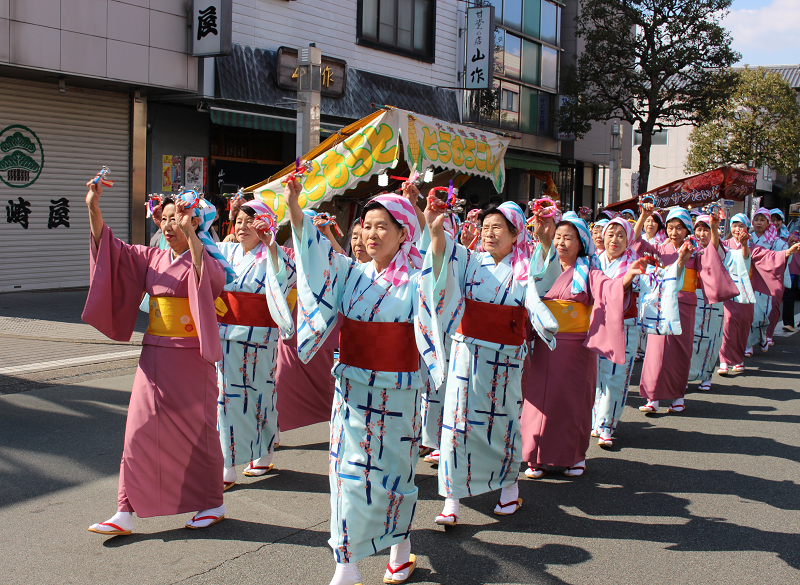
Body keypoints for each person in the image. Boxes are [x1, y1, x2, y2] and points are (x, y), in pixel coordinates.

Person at [286, 178, 445, 585]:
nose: (371, 234)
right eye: (367, 225)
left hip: (397, 392)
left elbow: (442, 286)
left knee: (394, 475)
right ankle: (346, 562)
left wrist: (436, 232)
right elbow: (312, 252)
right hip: (352, 390)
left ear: (404, 232)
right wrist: (293, 205)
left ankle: (400, 548)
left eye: (382, 227)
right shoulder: (348, 272)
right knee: (346, 473)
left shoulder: (417, 279)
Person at [83, 180, 232, 535]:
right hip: (154, 354)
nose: (168, 225)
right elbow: (110, 249)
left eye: (177, 217)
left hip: (192, 358)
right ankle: (124, 510)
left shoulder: (207, 258)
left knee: (198, 433)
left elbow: (208, 280)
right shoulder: (151, 257)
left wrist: (192, 236)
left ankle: (213, 501)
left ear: (195, 222)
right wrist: (93, 207)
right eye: (163, 219)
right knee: (137, 430)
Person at [422, 200, 558, 525]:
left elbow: (549, 276)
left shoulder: (525, 266)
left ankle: (508, 487)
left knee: (503, 423)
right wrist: (434, 228)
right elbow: (441, 257)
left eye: (497, 227)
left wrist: (547, 239)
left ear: (515, 234)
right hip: (465, 354)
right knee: (456, 425)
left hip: (505, 358)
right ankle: (451, 499)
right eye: (485, 227)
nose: (488, 233)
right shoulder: (470, 260)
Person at [521, 213, 645, 478]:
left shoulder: (590, 269)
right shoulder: (542, 264)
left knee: (574, 401)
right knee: (541, 401)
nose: (562, 243)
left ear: (582, 243)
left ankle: (574, 456)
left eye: (569, 238)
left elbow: (610, 290)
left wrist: (630, 274)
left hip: (577, 346)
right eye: (558, 237)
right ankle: (536, 456)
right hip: (546, 343)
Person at [216, 198, 296, 490]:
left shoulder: (276, 254)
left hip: (260, 336)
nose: (243, 226)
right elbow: (200, 254)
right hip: (224, 333)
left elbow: (286, 279)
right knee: (225, 398)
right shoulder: (225, 251)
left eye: (250, 221)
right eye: (238, 221)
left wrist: (272, 245)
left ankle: (263, 450)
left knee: (260, 393)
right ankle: (226, 463)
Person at [633, 206, 738, 413]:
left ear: (687, 229)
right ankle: (652, 397)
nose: (674, 233)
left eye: (679, 228)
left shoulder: (695, 250)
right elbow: (635, 241)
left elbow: (712, 257)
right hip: (661, 306)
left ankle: (677, 396)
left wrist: (714, 229)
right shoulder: (660, 249)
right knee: (655, 352)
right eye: (670, 228)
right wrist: (644, 216)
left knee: (680, 351)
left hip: (686, 304)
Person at [719, 213, 799, 372]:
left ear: (746, 229)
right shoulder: (724, 245)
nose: (737, 229)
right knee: (726, 325)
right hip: (727, 292)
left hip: (747, 292)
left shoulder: (753, 247)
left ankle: (739, 357)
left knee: (744, 326)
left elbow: (770, 257)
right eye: (734, 225)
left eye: (741, 226)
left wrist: (788, 252)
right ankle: (724, 361)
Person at [592, 218, 641, 447]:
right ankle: (595, 420)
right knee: (596, 377)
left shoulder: (636, 263)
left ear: (629, 238)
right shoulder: (595, 261)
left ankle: (606, 426)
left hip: (624, 326)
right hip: (597, 325)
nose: (614, 240)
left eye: (621, 235)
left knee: (616, 378)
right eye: (611, 234)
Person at [687, 215, 728, 391]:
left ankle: (707, 374)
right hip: (691, 295)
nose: (702, 234)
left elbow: (715, 247)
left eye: (706, 230)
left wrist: (714, 227)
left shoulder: (718, 248)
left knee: (711, 338)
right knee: (690, 338)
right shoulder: (688, 247)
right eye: (699, 229)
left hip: (712, 298)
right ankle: (686, 375)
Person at [748, 208, 788, 354]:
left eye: (762, 220)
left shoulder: (775, 241)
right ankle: (748, 345)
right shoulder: (748, 237)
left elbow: (781, 257)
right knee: (748, 315)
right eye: (756, 219)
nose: (758, 223)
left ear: (768, 223)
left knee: (761, 315)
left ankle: (763, 335)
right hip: (748, 279)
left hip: (765, 281)